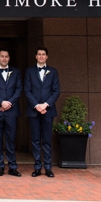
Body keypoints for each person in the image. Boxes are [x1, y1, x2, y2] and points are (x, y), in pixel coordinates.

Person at [24, 47, 61, 177]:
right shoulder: (29, 71)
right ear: (36, 56)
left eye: (43, 54)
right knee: (35, 140)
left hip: (48, 111)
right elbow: (27, 90)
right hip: (34, 111)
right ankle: (37, 167)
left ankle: (48, 167)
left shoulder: (53, 71)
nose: (41, 56)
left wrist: (45, 105)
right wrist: (36, 105)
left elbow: (56, 91)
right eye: (39, 54)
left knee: (46, 140)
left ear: (47, 57)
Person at [0, 49, 22, 177]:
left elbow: (18, 90)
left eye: (6, 56)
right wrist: (1, 103)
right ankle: (0, 166)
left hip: (11, 111)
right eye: (2, 56)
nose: (4, 58)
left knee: (11, 139)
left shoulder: (16, 72)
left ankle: (12, 167)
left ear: (9, 58)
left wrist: (8, 104)